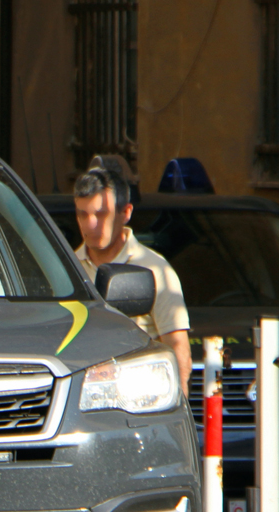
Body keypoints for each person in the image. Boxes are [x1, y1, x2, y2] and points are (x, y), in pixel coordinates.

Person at [73, 167, 192, 396]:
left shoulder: (154, 269)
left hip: (140, 401)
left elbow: (178, 349)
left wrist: (175, 413)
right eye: (82, 214)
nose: (90, 225)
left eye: (100, 214)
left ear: (126, 212)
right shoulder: (67, 271)